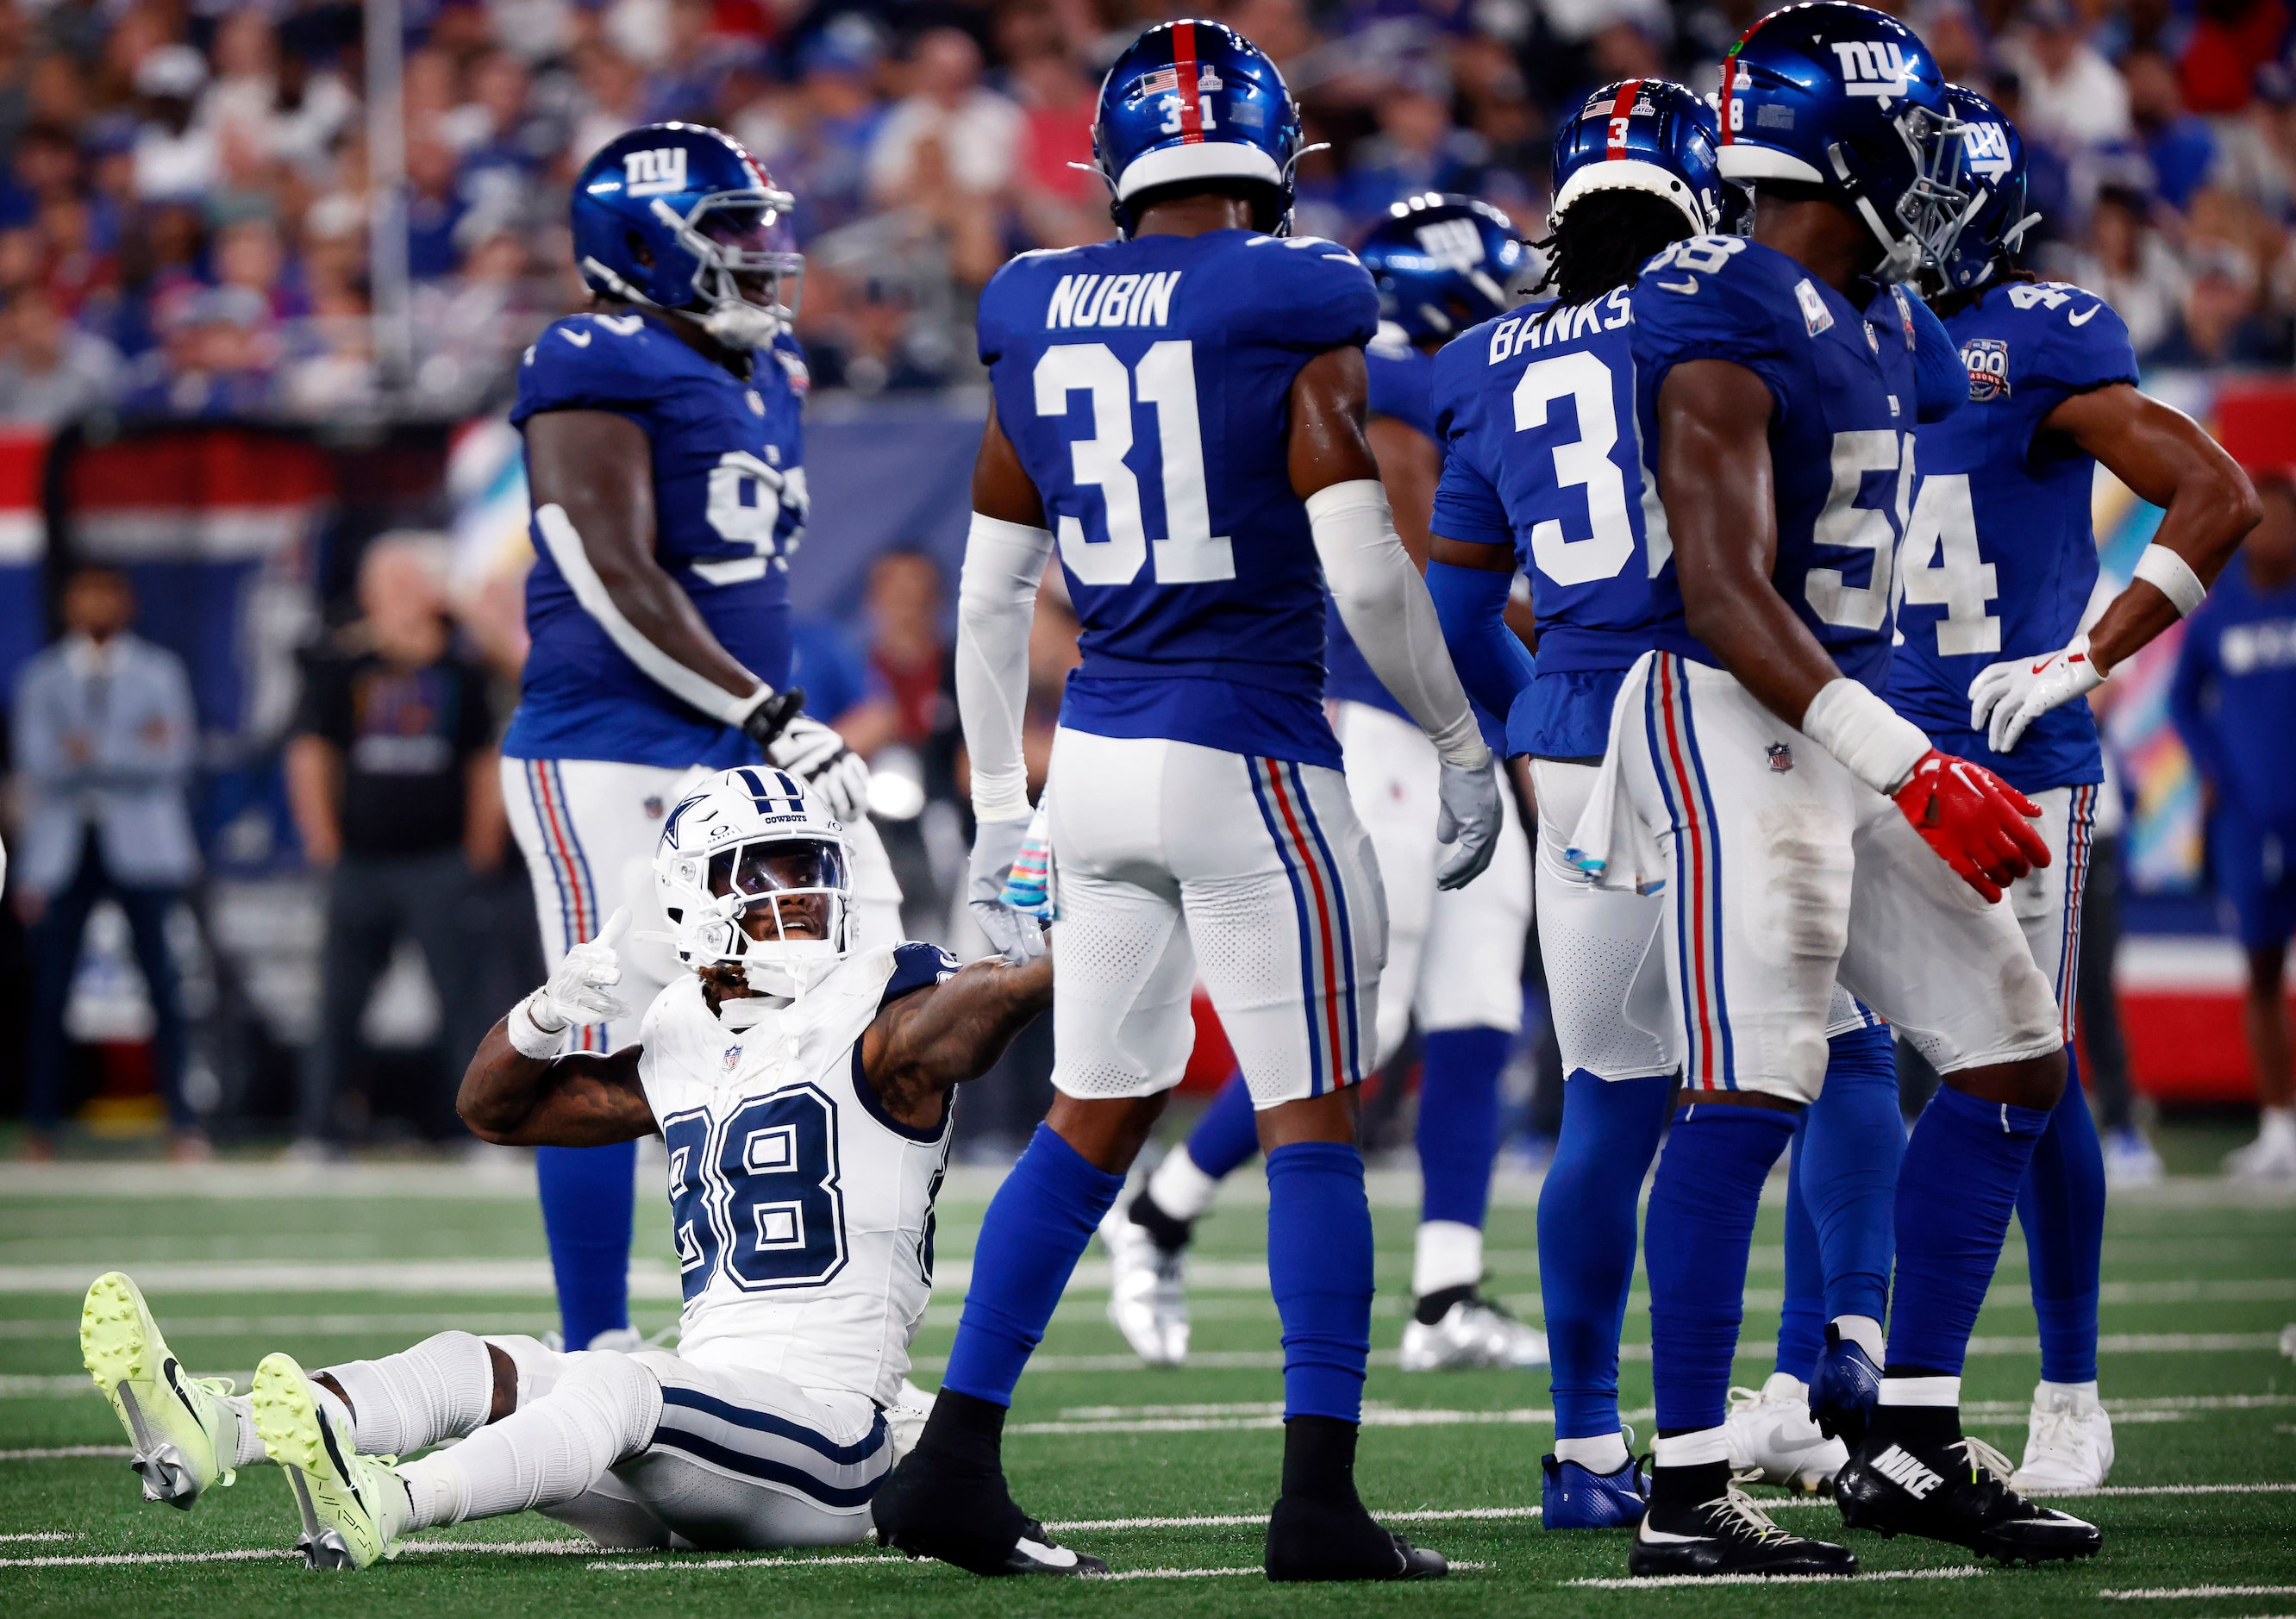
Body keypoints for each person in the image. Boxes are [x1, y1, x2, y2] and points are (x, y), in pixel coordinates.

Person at [870, 21, 1502, 1583]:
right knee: (1307, 1123)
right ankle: (1315, 1504)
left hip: (1092, 764)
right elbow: (1360, 565)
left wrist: (1001, 801)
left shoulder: (1029, 300)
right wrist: (1457, 737)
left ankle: (951, 1458)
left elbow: (989, 594)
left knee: (1093, 1111)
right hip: (1253, 751)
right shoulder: (1298, 290)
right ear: (1269, 157)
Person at [1570, 4, 2102, 1574]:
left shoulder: (1862, 306)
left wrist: (1872, 262)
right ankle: (1679, 1489)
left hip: (1836, 710)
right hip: (1730, 711)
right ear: (1844, 143)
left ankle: (1912, 1439)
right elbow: (1730, 592)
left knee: (2011, 1056)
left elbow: (1938, 377)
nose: (1936, 165)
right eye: (1913, 134)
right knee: (1750, 1085)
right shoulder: (1714, 304)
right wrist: (1917, 761)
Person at [77, 769, 1050, 1566]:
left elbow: (984, 1011)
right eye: (760, 872)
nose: (794, 894)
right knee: (481, 1362)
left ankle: (388, 1502)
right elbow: (492, 1110)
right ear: (691, 902)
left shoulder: (885, 1019)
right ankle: (220, 1429)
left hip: (835, 1444)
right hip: (707, 1435)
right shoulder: (682, 1039)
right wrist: (547, 1010)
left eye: (807, 868)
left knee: (623, 1382)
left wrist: (1068, 942)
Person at [1101, 192, 1542, 1375]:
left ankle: (1445, 1288)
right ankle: (1159, 1208)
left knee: (1474, 1006)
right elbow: (1419, 576)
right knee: (1365, 1017)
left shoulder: (1419, 380)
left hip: (1450, 725)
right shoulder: (1394, 386)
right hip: (1389, 720)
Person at [1893, 86, 2260, 1490]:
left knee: (2024, 1069)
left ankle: (2065, 1383)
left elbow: (2215, 490)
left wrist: (2084, 655)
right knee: (1839, 1069)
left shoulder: (2033, 336)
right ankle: (1830, 1373)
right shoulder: (1834, 331)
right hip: (1863, 748)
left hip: (2008, 757)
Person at [502, 123, 895, 1359]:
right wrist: (765, 710)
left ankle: (763, 1322)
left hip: (726, 745)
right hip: (602, 744)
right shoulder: (593, 353)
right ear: (638, 248)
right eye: (726, 230)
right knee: (597, 1020)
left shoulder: (768, 372)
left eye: (758, 225)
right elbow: (601, 562)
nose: (760, 253)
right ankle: (593, 1347)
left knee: (769, 1017)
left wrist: (753, 722)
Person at [285, 537, 504, 1148]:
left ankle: (477, 1136)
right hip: (360, 861)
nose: (401, 600)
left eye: (412, 586)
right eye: (389, 587)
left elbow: (484, 763)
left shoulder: (462, 669)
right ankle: (321, 1133)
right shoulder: (340, 666)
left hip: (439, 862)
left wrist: (478, 847)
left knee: (464, 1006)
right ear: (368, 596)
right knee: (337, 1005)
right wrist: (324, 844)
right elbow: (310, 756)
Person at [10, 566, 201, 1158]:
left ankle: (185, 1123)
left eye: (106, 593)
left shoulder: (158, 670)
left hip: (143, 848)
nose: (95, 604)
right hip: (64, 850)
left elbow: (172, 755)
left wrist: (89, 750)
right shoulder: (41, 676)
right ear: (69, 604)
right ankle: (41, 1124)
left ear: (126, 603)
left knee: (164, 989)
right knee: (49, 993)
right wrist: (128, 746)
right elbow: (38, 762)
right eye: (83, 593)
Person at [2172, 472, 2296, 1181]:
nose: (2273, 530)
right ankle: (2276, 1128)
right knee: (2258, 968)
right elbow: (2182, 703)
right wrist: (2214, 770)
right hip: (2246, 825)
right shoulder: (2217, 613)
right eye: (2263, 517)